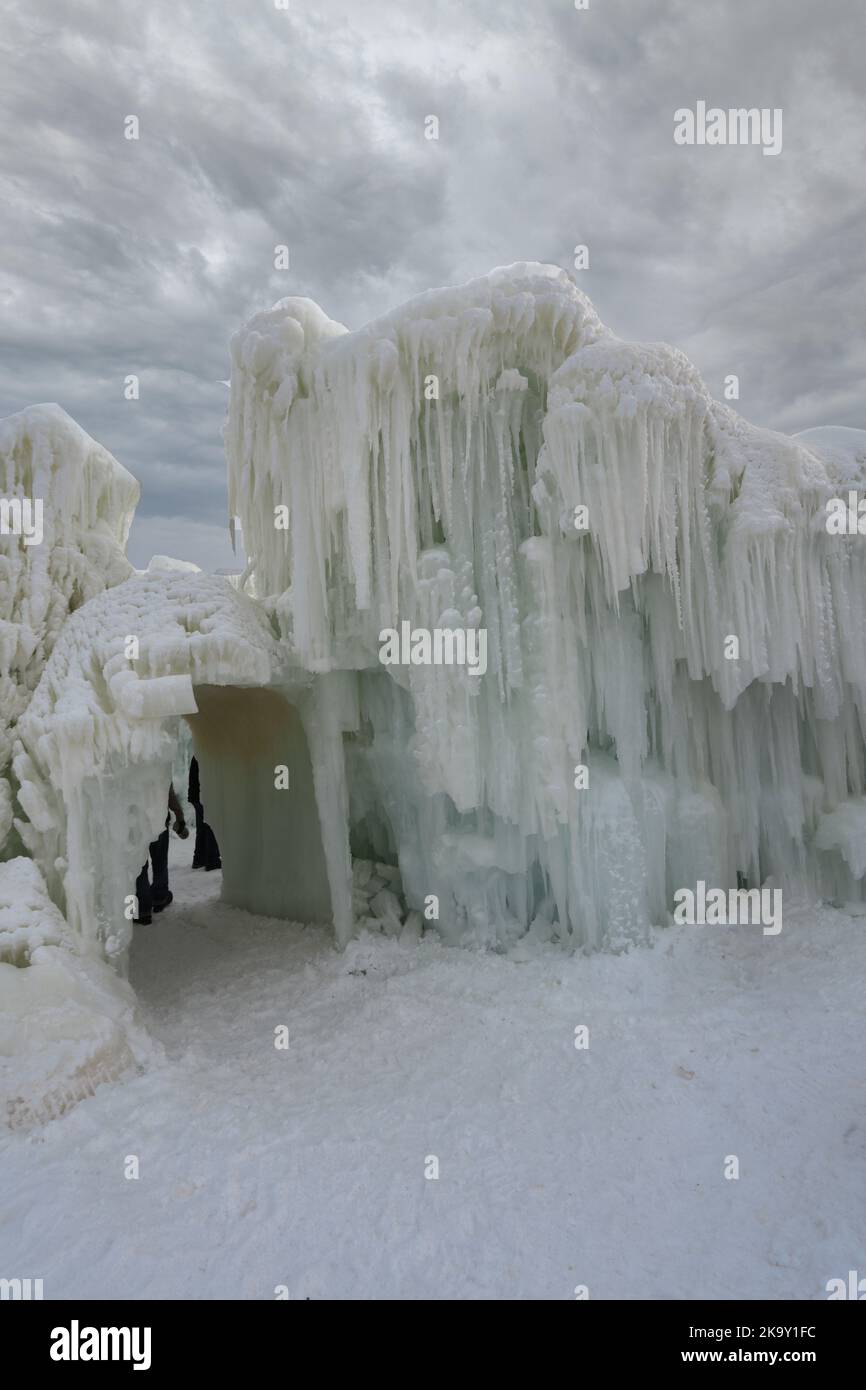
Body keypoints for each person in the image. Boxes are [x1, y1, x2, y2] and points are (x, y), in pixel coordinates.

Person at [134, 785, 188, 925]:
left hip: (136, 824)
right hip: (159, 822)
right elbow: (168, 793)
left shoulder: (129, 765)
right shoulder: (156, 763)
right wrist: (179, 816)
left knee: (139, 865)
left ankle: (142, 909)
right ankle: (159, 896)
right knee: (159, 861)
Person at [188, 756, 221, 871]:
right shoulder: (203, 755)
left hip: (197, 796)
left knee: (202, 828)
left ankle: (199, 859)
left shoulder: (198, 755)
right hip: (203, 797)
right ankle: (212, 860)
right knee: (210, 826)